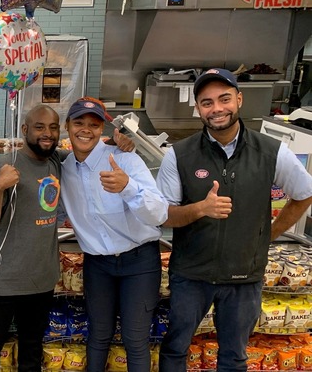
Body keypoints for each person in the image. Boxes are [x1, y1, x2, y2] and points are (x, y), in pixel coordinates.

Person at [155, 68, 312, 372]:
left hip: (244, 276)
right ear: (198, 108)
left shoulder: (271, 151)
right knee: (175, 348)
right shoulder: (180, 154)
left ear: (239, 99)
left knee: (234, 355)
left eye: (224, 99)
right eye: (207, 102)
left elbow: (304, 194)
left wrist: (268, 233)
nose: (217, 109)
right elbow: (165, 215)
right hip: (191, 275)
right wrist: (201, 208)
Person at [60, 97, 168, 372]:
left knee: (135, 340)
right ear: (67, 127)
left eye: (93, 125)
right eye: (79, 123)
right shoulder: (63, 168)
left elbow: (159, 214)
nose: (85, 130)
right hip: (98, 264)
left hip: (140, 263)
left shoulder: (125, 160)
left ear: (102, 131)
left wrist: (127, 187)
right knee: (98, 336)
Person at [0, 104, 64, 372]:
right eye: (39, 127)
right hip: (6, 279)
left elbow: (88, 153)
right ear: (25, 129)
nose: (47, 133)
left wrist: (121, 143)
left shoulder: (56, 161)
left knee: (32, 348)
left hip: (42, 277)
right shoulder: (3, 164)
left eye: (53, 127)